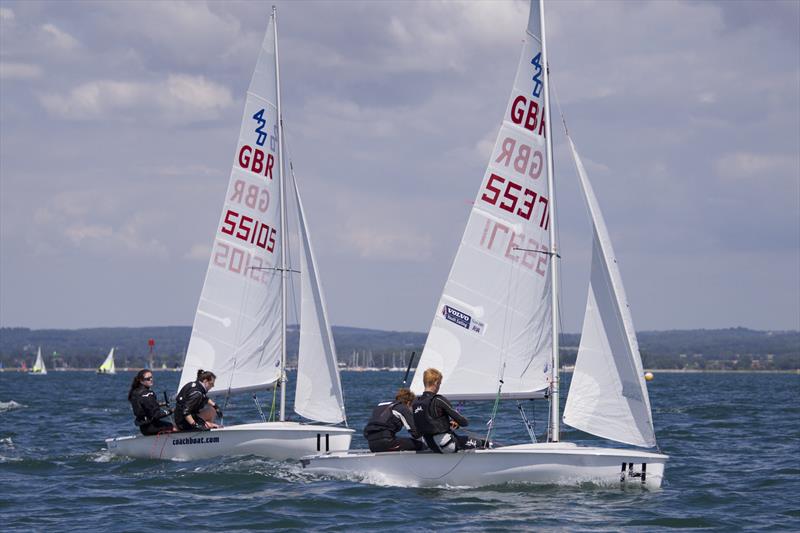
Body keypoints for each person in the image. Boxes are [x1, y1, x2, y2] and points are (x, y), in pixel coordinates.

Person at [412, 368, 483, 453]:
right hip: (445, 444)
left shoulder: (416, 402)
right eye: (439, 383)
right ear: (436, 382)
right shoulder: (439, 400)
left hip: (429, 444)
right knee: (483, 443)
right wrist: (461, 422)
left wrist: (448, 424)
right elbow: (463, 422)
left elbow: (428, 422)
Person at [363, 388, 425, 453]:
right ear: (409, 403)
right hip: (387, 442)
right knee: (420, 445)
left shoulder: (381, 405)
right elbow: (416, 434)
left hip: (371, 445)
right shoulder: (403, 408)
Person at [128, 369, 175, 435]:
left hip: (144, 428)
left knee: (168, 425)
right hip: (152, 427)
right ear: (141, 381)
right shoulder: (147, 394)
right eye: (148, 379)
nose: (151, 380)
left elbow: (146, 407)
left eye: (151, 377)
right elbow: (155, 415)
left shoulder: (135, 392)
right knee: (174, 427)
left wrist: (163, 404)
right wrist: (171, 411)